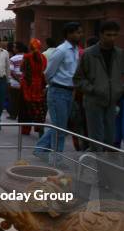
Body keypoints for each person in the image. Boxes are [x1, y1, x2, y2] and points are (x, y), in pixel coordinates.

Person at [34, 22, 82, 157]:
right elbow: (48, 72)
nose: (80, 35)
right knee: (59, 128)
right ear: (69, 34)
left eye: (80, 32)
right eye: (77, 32)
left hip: (69, 91)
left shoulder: (76, 50)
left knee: (61, 126)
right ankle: (56, 158)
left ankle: (40, 148)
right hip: (58, 91)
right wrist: (54, 85)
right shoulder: (61, 51)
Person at [73, 21, 123, 151]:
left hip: (112, 100)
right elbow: (78, 79)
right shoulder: (89, 54)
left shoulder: (120, 54)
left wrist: (119, 89)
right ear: (101, 34)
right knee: (96, 138)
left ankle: (105, 167)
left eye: (114, 35)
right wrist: (92, 89)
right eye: (108, 35)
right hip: (93, 101)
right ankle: (97, 167)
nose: (112, 38)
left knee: (110, 138)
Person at [19, 38, 48, 136]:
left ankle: (26, 130)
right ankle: (39, 127)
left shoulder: (27, 56)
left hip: (28, 85)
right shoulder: (43, 57)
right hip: (39, 85)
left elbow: (22, 69)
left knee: (25, 108)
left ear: (30, 46)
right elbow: (44, 70)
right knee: (39, 107)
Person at [7, 42, 27, 120]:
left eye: (15, 47)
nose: (13, 49)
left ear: (18, 49)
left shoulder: (12, 59)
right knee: (23, 101)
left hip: (15, 84)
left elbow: (11, 72)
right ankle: (22, 116)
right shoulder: (27, 57)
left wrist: (18, 80)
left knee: (13, 100)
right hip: (25, 83)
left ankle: (13, 115)